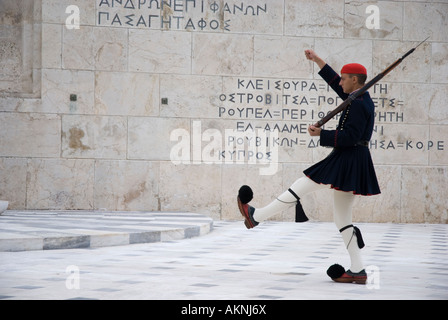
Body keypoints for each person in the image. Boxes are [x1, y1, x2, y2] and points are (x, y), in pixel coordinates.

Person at [237, 49, 381, 285]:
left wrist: (321, 134)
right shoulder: (357, 97)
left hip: (348, 158)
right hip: (353, 159)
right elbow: (336, 83)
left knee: (300, 186)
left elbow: (351, 136)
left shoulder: (360, 104)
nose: (341, 81)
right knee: (342, 218)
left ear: (355, 80)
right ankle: (358, 270)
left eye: (345, 77)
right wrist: (318, 61)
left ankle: (256, 217)